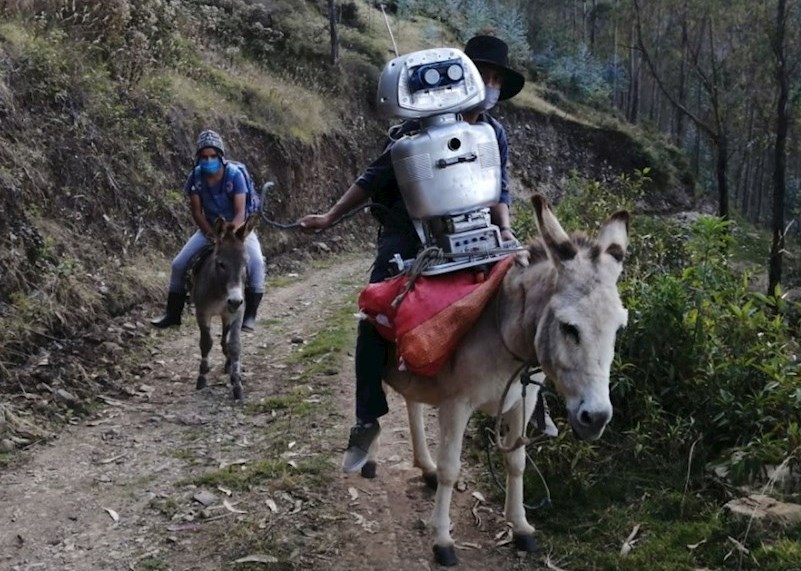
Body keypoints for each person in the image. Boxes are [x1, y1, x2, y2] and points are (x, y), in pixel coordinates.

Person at [297, 35, 526, 473]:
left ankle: (530, 394)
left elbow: (500, 189)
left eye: (497, 79)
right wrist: (329, 217)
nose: (491, 85)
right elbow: (373, 177)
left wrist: (508, 233)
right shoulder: (417, 131)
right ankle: (366, 419)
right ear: (466, 77)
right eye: (485, 75)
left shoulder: (494, 133)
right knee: (374, 314)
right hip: (407, 234)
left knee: (526, 294)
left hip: (474, 231)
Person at [151, 130, 265, 332]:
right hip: (211, 230)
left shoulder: (235, 176)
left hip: (238, 231)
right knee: (178, 264)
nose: (208, 160)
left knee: (256, 261)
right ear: (198, 158)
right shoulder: (196, 177)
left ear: (220, 156)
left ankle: (250, 315)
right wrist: (211, 234)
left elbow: (240, 212)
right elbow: (196, 211)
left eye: (213, 156)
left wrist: (231, 235)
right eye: (204, 157)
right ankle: (172, 313)